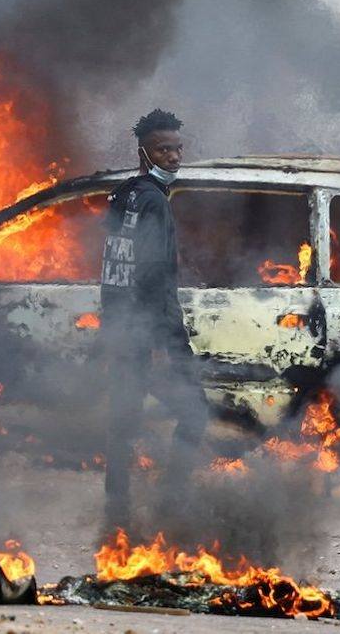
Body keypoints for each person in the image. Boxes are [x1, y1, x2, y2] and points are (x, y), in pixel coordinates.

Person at [99, 109, 208, 532]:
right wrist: (166, 343)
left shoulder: (122, 195)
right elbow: (154, 276)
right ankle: (172, 500)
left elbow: (111, 266)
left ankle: (117, 505)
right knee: (195, 412)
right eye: (164, 150)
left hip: (121, 329)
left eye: (178, 149)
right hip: (149, 333)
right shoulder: (155, 202)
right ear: (144, 152)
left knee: (123, 418)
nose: (174, 158)